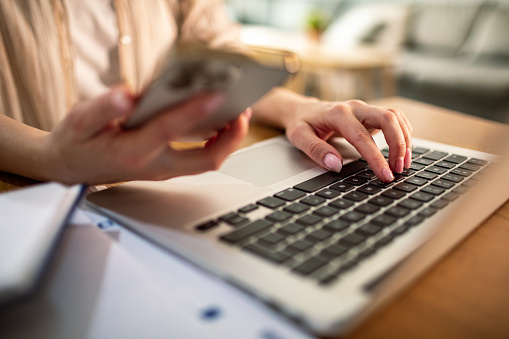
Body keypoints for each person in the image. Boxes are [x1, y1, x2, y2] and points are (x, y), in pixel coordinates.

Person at [0, 0, 412, 186]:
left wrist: (298, 108)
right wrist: (53, 158)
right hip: (26, 193)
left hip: (152, 194)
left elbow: (220, 55)